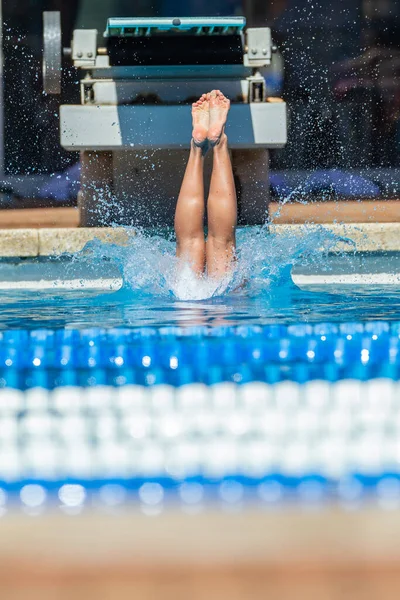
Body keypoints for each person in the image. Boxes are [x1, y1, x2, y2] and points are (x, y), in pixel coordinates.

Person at [174, 90, 237, 282]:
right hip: (222, 304)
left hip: (185, 301)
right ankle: (218, 143)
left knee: (188, 244)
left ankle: (196, 146)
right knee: (221, 245)